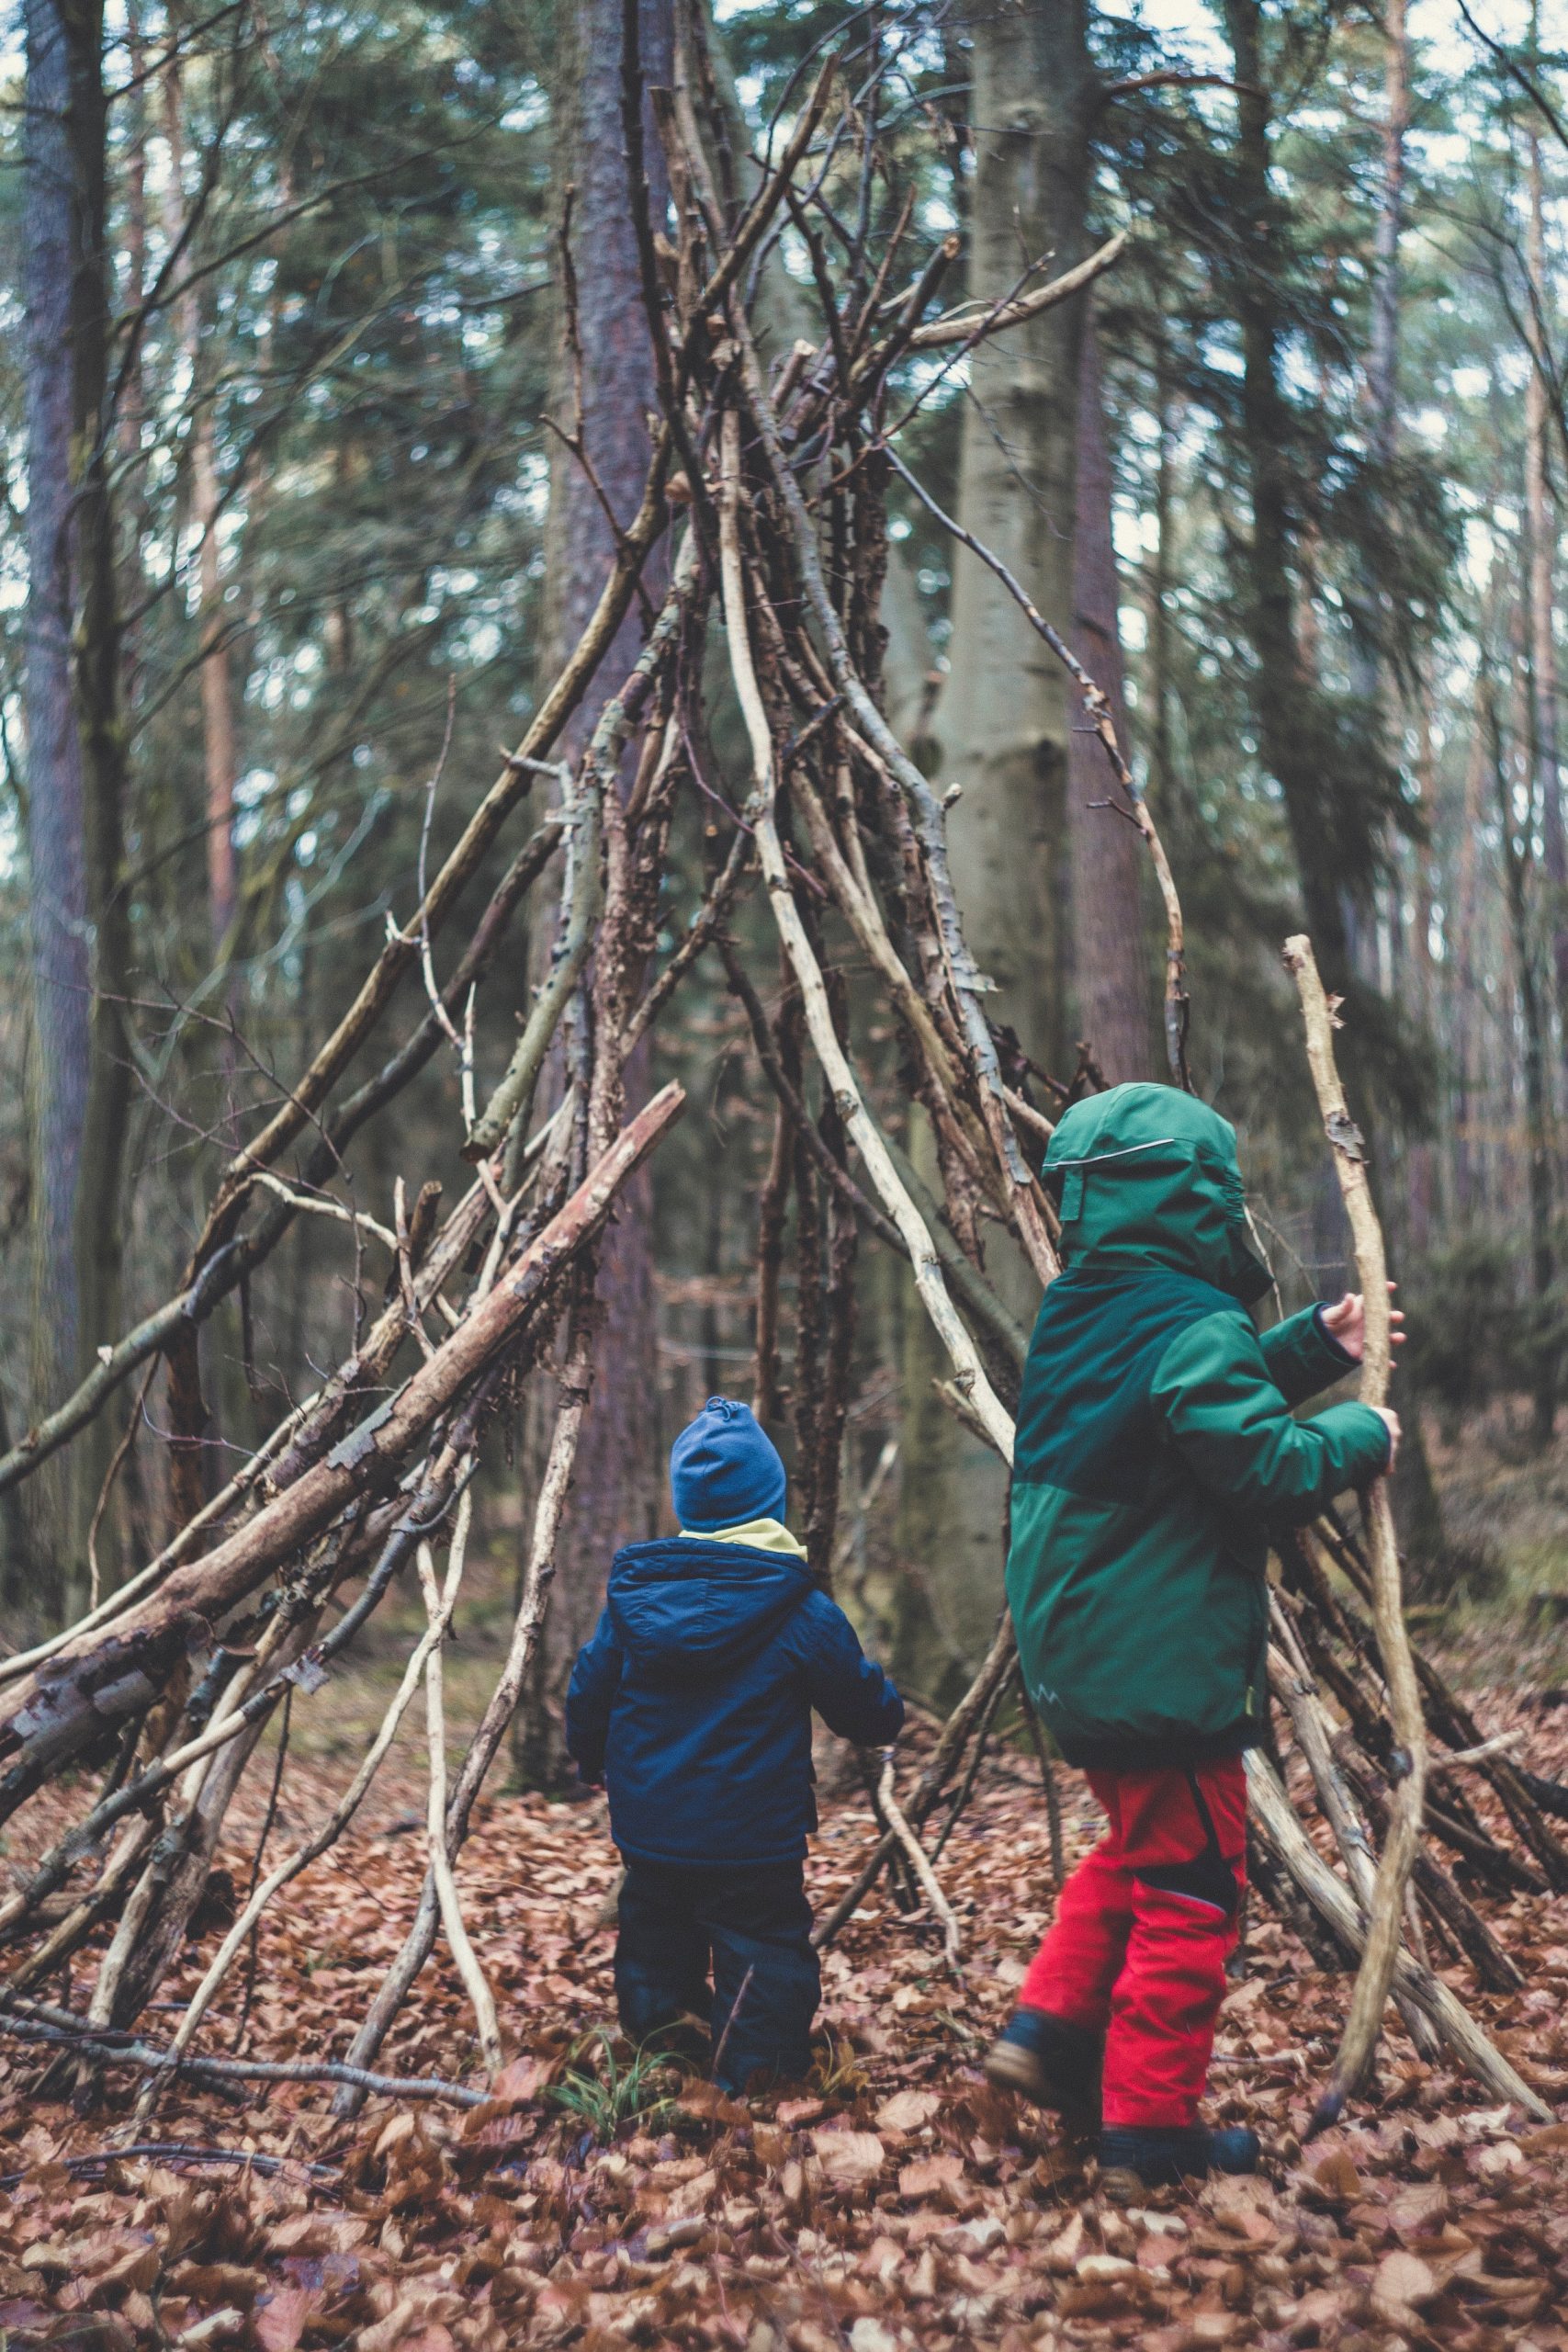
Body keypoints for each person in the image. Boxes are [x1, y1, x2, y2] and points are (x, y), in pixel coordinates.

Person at [986, 1083, 1401, 2193]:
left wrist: (1314, 1344)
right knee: (1197, 1888)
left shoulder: (1082, 1311)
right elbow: (1260, 1465)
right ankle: (1150, 2128)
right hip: (1156, 1662)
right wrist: (1362, 1430)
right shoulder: (1189, 1322)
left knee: (1139, 1847)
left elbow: (1193, 1398)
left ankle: (1051, 2029)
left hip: (1079, 1656)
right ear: (1196, 1196)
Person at [566, 1396, 904, 2092]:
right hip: (754, 1835)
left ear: (688, 1504)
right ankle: (756, 2079)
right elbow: (859, 1705)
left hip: (652, 1824)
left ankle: (662, 2058)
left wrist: (590, 1758)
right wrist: (885, 1715)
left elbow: (588, 1689)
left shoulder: (636, 1602)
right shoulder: (798, 1608)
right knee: (762, 1950)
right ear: (770, 1503)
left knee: (655, 1941)